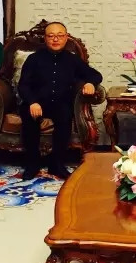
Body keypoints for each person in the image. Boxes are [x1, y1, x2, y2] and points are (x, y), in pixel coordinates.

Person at [18, 21, 103, 180]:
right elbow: (23, 85)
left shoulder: (72, 59)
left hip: (60, 103)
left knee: (64, 115)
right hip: (36, 103)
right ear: (45, 38)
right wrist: (32, 102)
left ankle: (56, 164)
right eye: (51, 36)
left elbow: (95, 75)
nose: (55, 39)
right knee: (29, 118)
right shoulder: (34, 59)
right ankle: (32, 163)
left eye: (60, 35)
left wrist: (91, 83)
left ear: (66, 37)